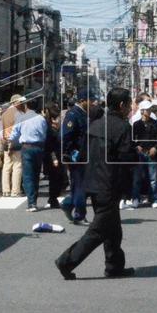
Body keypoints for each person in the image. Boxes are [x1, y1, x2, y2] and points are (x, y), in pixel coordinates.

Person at [55, 87, 136, 280]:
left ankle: (115, 266)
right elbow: (126, 160)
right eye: (129, 103)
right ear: (122, 105)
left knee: (113, 228)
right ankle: (66, 261)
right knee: (99, 230)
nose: (130, 107)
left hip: (92, 182)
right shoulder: (123, 127)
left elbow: (83, 155)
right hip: (109, 184)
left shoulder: (95, 124)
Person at [9, 98, 47, 212]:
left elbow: (14, 134)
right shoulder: (41, 118)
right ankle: (34, 199)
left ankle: (32, 203)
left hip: (27, 147)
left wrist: (9, 142)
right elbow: (44, 133)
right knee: (36, 175)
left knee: (28, 176)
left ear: (26, 105)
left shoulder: (21, 118)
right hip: (39, 147)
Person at [61, 91, 91, 223]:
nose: (93, 104)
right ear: (83, 100)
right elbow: (66, 136)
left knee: (78, 186)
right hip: (76, 156)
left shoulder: (84, 114)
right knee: (80, 186)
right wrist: (66, 155)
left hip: (85, 154)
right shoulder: (73, 114)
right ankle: (79, 214)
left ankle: (68, 204)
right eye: (91, 100)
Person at [131, 100, 157, 208]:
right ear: (142, 110)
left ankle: (155, 199)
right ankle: (135, 198)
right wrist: (136, 146)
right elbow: (132, 139)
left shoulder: (155, 123)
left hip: (152, 153)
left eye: (150, 109)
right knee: (137, 178)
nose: (149, 111)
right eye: (147, 109)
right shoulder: (136, 124)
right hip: (140, 153)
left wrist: (155, 147)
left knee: (153, 179)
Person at [0, 95, 26, 197]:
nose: (22, 103)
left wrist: (3, 140)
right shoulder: (19, 113)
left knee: (6, 166)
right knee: (17, 166)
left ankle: (5, 190)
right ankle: (15, 191)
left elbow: (0, 129)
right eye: (20, 102)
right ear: (15, 102)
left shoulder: (4, 113)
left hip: (5, 141)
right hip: (16, 141)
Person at [42, 105, 65, 209]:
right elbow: (49, 145)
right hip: (53, 155)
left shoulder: (49, 125)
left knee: (56, 178)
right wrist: (54, 158)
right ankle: (53, 199)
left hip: (54, 154)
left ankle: (53, 198)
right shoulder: (48, 127)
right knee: (55, 178)